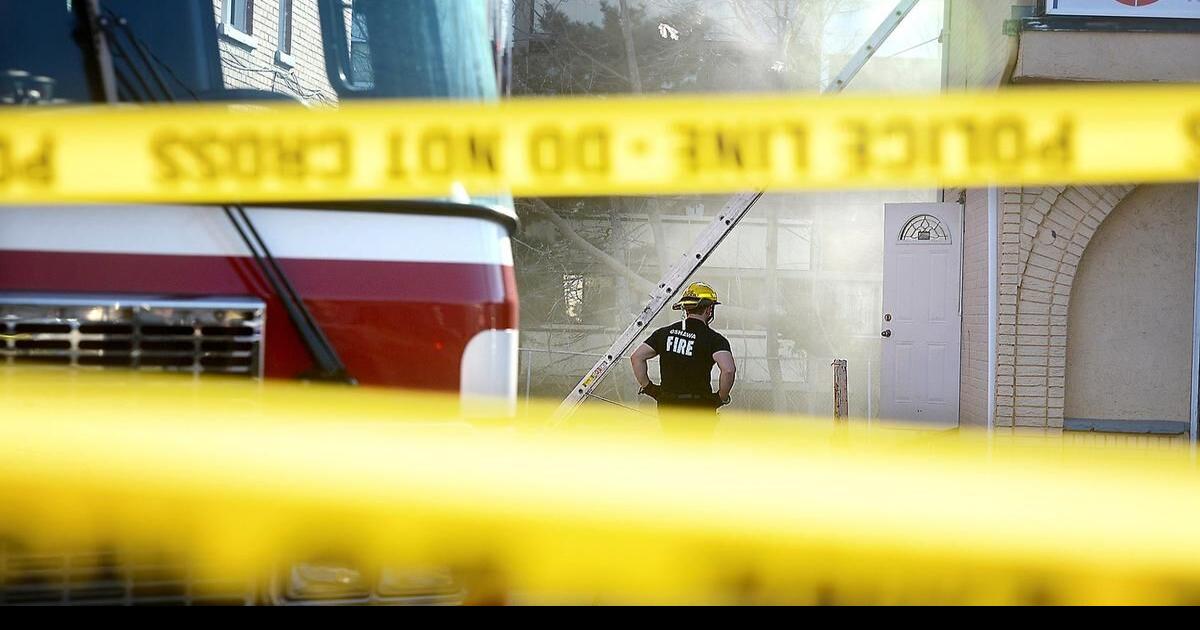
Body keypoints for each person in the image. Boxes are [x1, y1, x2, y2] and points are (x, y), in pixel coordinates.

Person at [631, 282, 736, 435]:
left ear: (686, 308)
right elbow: (728, 369)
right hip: (700, 408)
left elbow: (636, 357)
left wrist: (649, 388)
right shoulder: (715, 339)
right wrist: (722, 397)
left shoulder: (664, 333)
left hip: (668, 406)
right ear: (709, 309)